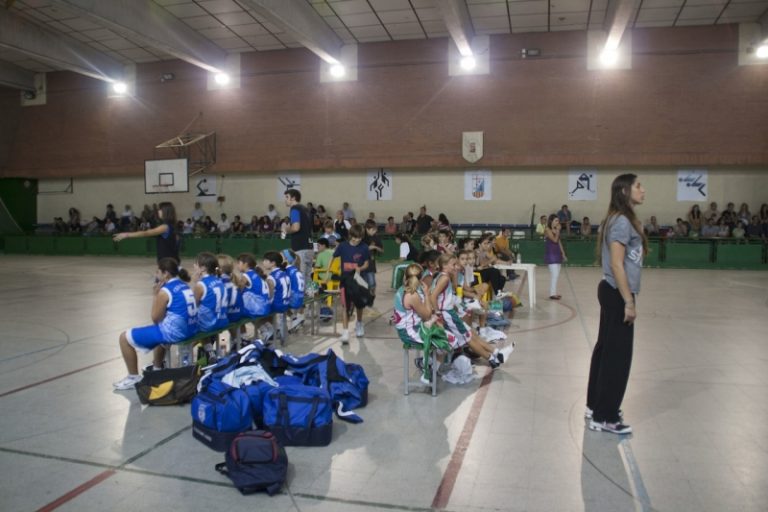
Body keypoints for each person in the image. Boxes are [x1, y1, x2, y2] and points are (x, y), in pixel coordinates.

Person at [586, 173, 646, 435]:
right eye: (638, 186)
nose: (643, 190)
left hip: (612, 291)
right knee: (617, 357)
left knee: (605, 351)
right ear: (624, 191)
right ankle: (605, 416)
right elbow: (617, 264)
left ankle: (594, 406)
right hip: (617, 293)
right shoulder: (621, 221)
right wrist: (628, 301)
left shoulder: (618, 219)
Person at [113, 258, 196, 390]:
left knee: (124, 338)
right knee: (159, 333)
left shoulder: (165, 291)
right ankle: (157, 369)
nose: (156, 274)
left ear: (166, 273)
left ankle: (133, 377)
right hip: (191, 329)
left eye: (158, 272)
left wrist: (155, 295)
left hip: (176, 333)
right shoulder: (185, 285)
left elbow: (155, 318)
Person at [430, 254, 511, 370]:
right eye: (453, 264)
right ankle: (492, 358)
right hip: (446, 314)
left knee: (471, 333)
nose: (456, 267)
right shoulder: (444, 278)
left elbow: (449, 292)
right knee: (468, 337)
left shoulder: (442, 276)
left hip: (449, 313)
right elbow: (433, 297)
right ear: (444, 265)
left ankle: (496, 353)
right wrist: (438, 314)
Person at [330, 224, 370, 343]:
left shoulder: (364, 247)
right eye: (355, 237)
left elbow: (367, 263)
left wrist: (360, 268)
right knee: (345, 306)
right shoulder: (342, 246)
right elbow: (333, 256)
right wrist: (329, 270)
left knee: (359, 305)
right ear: (350, 235)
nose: (357, 240)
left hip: (359, 280)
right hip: (345, 280)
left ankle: (359, 323)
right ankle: (345, 332)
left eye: (359, 238)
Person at [114, 202, 180, 263]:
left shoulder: (165, 227)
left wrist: (126, 234)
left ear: (165, 211)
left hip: (167, 263)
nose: (158, 211)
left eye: (160, 209)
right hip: (171, 262)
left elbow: (146, 233)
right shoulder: (172, 226)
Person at [282, 189, 314, 283]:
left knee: (300, 276)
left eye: (287, 197)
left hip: (300, 247)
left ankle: (302, 293)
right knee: (308, 277)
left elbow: (296, 228)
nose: (285, 200)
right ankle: (310, 292)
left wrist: (286, 229)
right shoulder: (306, 209)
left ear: (293, 198)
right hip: (310, 247)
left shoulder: (295, 209)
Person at [192, 252, 228, 334]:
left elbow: (193, 306)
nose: (194, 266)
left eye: (196, 264)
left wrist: (195, 283)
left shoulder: (201, 285)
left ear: (203, 268)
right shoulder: (219, 281)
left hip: (208, 325)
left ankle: (200, 341)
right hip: (222, 321)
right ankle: (210, 343)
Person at [218, 253, 245, 351]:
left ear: (219, 269)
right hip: (238, 314)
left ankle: (219, 350)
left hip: (229, 317)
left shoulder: (219, 282)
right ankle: (239, 340)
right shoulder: (232, 280)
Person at [544, 214, 567, 300]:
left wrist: (563, 253)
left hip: (557, 254)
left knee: (556, 275)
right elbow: (555, 240)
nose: (558, 222)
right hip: (551, 254)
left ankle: (553, 293)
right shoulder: (547, 229)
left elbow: (559, 242)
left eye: (558, 221)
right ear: (551, 221)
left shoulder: (556, 230)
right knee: (554, 274)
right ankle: (552, 294)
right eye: (556, 220)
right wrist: (558, 230)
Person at [282, 249, 305, 330]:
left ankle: (280, 327)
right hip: (300, 297)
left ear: (286, 259)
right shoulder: (295, 269)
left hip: (294, 299)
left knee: (278, 302)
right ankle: (296, 318)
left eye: (281, 257)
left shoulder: (287, 271)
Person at [362, 219, 383, 306]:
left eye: (375, 230)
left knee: (372, 283)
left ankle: (371, 296)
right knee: (363, 283)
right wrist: (367, 248)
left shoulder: (376, 237)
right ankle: (365, 299)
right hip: (361, 264)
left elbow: (382, 250)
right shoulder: (361, 237)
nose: (375, 232)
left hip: (371, 263)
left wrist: (375, 247)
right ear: (367, 229)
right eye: (373, 230)